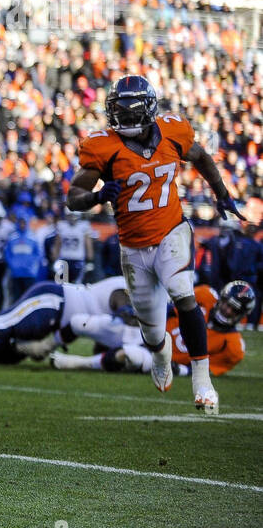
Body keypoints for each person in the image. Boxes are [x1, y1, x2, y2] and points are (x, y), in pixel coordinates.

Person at [67, 74, 245, 413]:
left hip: (171, 232)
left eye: (130, 112)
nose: (123, 118)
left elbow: (202, 157)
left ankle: (201, 379)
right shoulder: (103, 146)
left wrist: (222, 194)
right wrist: (96, 196)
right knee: (152, 332)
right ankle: (160, 354)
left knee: (183, 293)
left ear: (147, 110)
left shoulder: (173, 131)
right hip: (133, 248)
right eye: (118, 110)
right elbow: (72, 198)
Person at [52, 281, 253, 378]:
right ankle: (46, 346)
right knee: (81, 322)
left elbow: (205, 370)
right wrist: (139, 314)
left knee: (129, 355)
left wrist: (179, 369)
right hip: (146, 333)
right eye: (226, 303)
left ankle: (77, 363)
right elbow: (168, 309)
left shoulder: (233, 346)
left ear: (241, 315)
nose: (226, 309)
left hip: (161, 359)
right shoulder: (205, 296)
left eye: (233, 309)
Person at [0, 275, 130, 364]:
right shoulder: (126, 288)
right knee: (1, 324)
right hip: (55, 301)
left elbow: (88, 334)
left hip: (56, 322)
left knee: (1, 355)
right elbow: (122, 306)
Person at [5, 215, 44, 301]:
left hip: (29, 274)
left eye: (24, 223)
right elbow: (7, 254)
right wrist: (13, 266)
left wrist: (32, 266)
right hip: (16, 274)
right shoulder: (12, 238)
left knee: (29, 299)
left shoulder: (33, 238)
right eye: (20, 222)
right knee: (16, 299)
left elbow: (38, 254)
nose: (22, 225)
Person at [49, 209, 95, 283]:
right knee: (63, 284)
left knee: (75, 285)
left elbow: (88, 245)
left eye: (74, 216)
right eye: (70, 216)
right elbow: (57, 244)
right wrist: (54, 259)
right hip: (64, 259)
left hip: (77, 260)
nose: (72, 218)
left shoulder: (84, 226)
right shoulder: (61, 225)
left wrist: (90, 260)